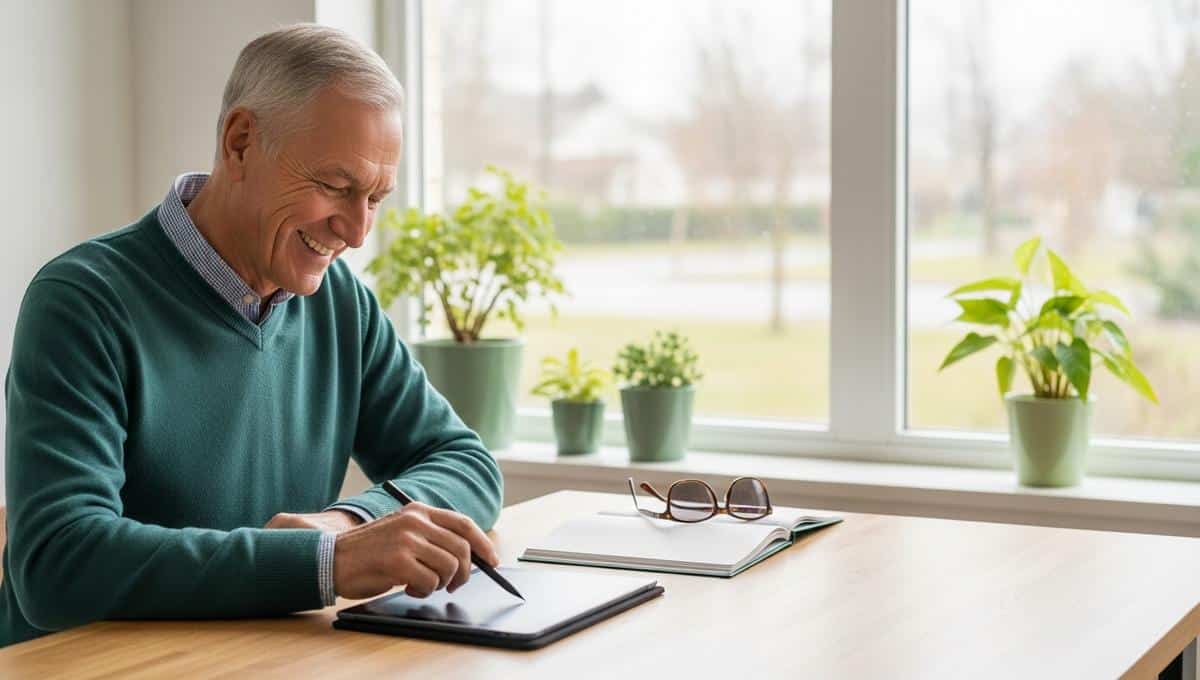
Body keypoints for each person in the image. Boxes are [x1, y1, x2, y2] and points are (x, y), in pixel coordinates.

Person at [0, 23, 503, 648]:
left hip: (250, 659)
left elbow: (467, 464)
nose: (356, 231)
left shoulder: (342, 305)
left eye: (376, 197)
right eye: (336, 186)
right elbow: (58, 564)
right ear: (240, 143)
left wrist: (343, 523)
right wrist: (328, 563)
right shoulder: (83, 301)